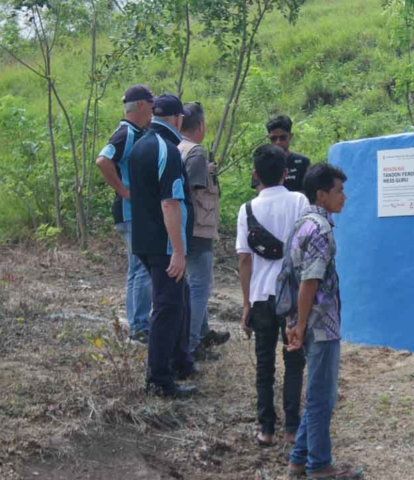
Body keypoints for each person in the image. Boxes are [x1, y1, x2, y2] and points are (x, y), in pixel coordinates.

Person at [285, 164, 362, 479]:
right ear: (322, 194)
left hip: (309, 321)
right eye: (339, 191)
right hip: (320, 324)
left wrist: (297, 322)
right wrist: (301, 326)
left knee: (320, 393)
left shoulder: (303, 223)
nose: (344, 197)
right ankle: (319, 466)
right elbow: (309, 282)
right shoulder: (321, 230)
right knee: (321, 397)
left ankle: (299, 461)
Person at [236, 145, 309, 446]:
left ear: (255, 175)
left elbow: (244, 260)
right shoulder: (299, 201)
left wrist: (245, 304)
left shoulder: (247, 209)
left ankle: (266, 428)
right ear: (285, 173)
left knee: (264, 362)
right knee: (294, 360)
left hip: (262, 296)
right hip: (292, 296)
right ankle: (292, 427)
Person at [129, 93, 197, 398]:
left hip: (145, 239)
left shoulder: (141, 144)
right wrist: (178, 250)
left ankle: (180, 361)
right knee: (167, 307)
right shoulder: (167, 150)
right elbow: (169, 202)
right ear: (178, 119)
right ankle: (159, 379)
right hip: (163, 244)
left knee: (179, 297)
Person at [96, 84, 155, 344]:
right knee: (142, 267)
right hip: (130, 212)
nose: (153, 109)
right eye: (151, 104)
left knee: (136, 268)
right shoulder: (125, 133)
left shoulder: (134, 132)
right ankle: (140, 326)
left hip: (130, 213)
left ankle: (137, 323)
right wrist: (124, 191)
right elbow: (102, 160)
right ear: (141, 105)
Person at [178, 101, 231, 362]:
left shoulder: (175, 147)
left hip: (181, 229)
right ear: (201, 125)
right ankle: (192, 344)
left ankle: (202, 331)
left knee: (192, 285)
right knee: (200, 286)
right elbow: (194, 190)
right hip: (198, 229)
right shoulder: (197, 153)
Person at [251, 115, 310, 193]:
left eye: (282, 138)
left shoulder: (303, 161)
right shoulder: (263, 160)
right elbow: (260, 191)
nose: (278, 142)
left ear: (290, 136)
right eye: (273, 138)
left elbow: (309, 191)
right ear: (268, 137)